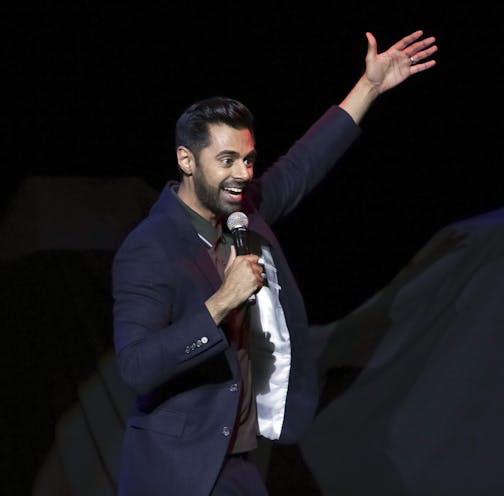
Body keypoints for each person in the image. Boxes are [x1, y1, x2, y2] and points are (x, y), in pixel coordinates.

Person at [112, 29, 437, 496]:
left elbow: (303, 163)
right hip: (177, 472)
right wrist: (220, 302)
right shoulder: (150, 248)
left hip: (239, 463)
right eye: (227, 160)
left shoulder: (246, 211)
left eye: (247, 159)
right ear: (186, 159)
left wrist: (369, 87)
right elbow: (137, 368)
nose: (242, 174)